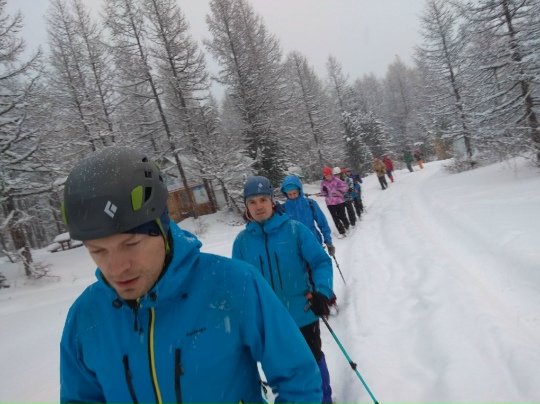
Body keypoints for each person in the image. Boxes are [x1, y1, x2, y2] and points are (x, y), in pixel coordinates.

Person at [60, 147, 322, 404]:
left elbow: (298, 380)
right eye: (98, 251)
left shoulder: (234, 284)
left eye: (131, 244)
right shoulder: (86, 316)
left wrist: (322, 289)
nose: (116, 268)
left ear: (162, 230)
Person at [233, 176, 335, 404]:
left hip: (302, 311)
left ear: (272, 201)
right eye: (252, 202)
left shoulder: (295, 230)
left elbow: (320, 262)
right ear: (246, 206)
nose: (258, 206)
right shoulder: (241, 242)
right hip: (267, 321)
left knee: (313, 361)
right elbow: (238, 283)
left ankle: (324, 400)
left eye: (262, 200)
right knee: (281, 370)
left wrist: (322, 292)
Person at [280, 174, 336, 257]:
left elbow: (322, 223)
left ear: (299, 190)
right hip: (295, 248)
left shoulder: (310, 203)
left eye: (294, 193)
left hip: (314, 243)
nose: (292, 196)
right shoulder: (283, 208)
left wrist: (328, 241)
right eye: (289, 194)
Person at [317, 166, 350, 238]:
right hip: (330, 203)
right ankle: (341, 232)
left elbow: (346, 187)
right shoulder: (323, 183)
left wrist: (340, 191)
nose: (327, 177)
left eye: (328, 175)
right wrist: (320, 194)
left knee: (341, 215)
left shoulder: (337, 180)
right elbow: (324, 192)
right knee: (335, 217)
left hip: (339, 201)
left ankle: (347, 225)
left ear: (331, 174)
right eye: (326, 176)